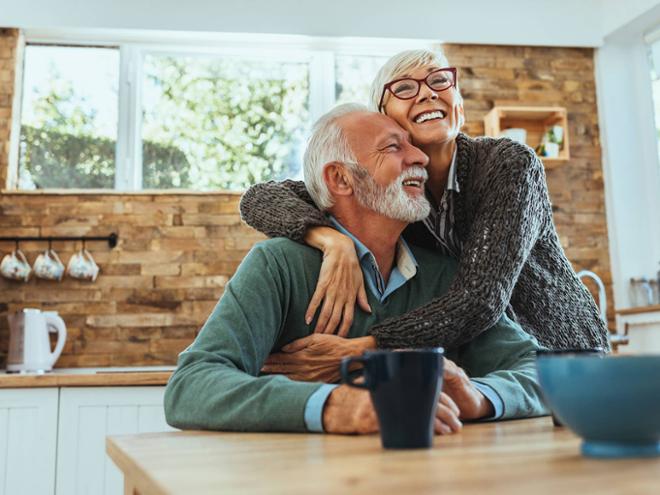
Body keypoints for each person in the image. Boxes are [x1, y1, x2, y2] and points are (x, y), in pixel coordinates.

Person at [164, 104, 548, 435]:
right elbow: (191, 386)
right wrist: (337, 405)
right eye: (394, 147)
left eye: (413, 146)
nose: (421, 158)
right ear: (340, 178)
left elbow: (541, 372)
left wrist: (478, 397)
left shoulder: (445, 276)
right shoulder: (278, 265)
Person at [239, 49, 610, 354]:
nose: (428, 93)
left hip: (562, 353)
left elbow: (480, 299)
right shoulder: (390, 193)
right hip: (485, 361)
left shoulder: (509, 164)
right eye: (404, 88)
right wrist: (329, 239)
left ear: (459, 107)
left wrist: (367, 346)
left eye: (438, 81)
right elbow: (261, 197)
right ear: (385, 120)